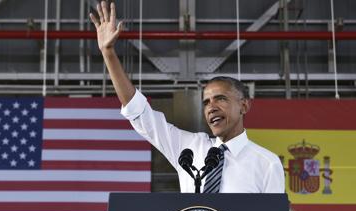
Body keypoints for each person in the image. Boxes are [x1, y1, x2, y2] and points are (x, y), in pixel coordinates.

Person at [89, 1, 285, 194]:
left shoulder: (267, 163)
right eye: (206, 102)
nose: (211, 107)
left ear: (244, 106)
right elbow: (139, 113)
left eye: (221, 99)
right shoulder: (189, 150)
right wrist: (109, 54)